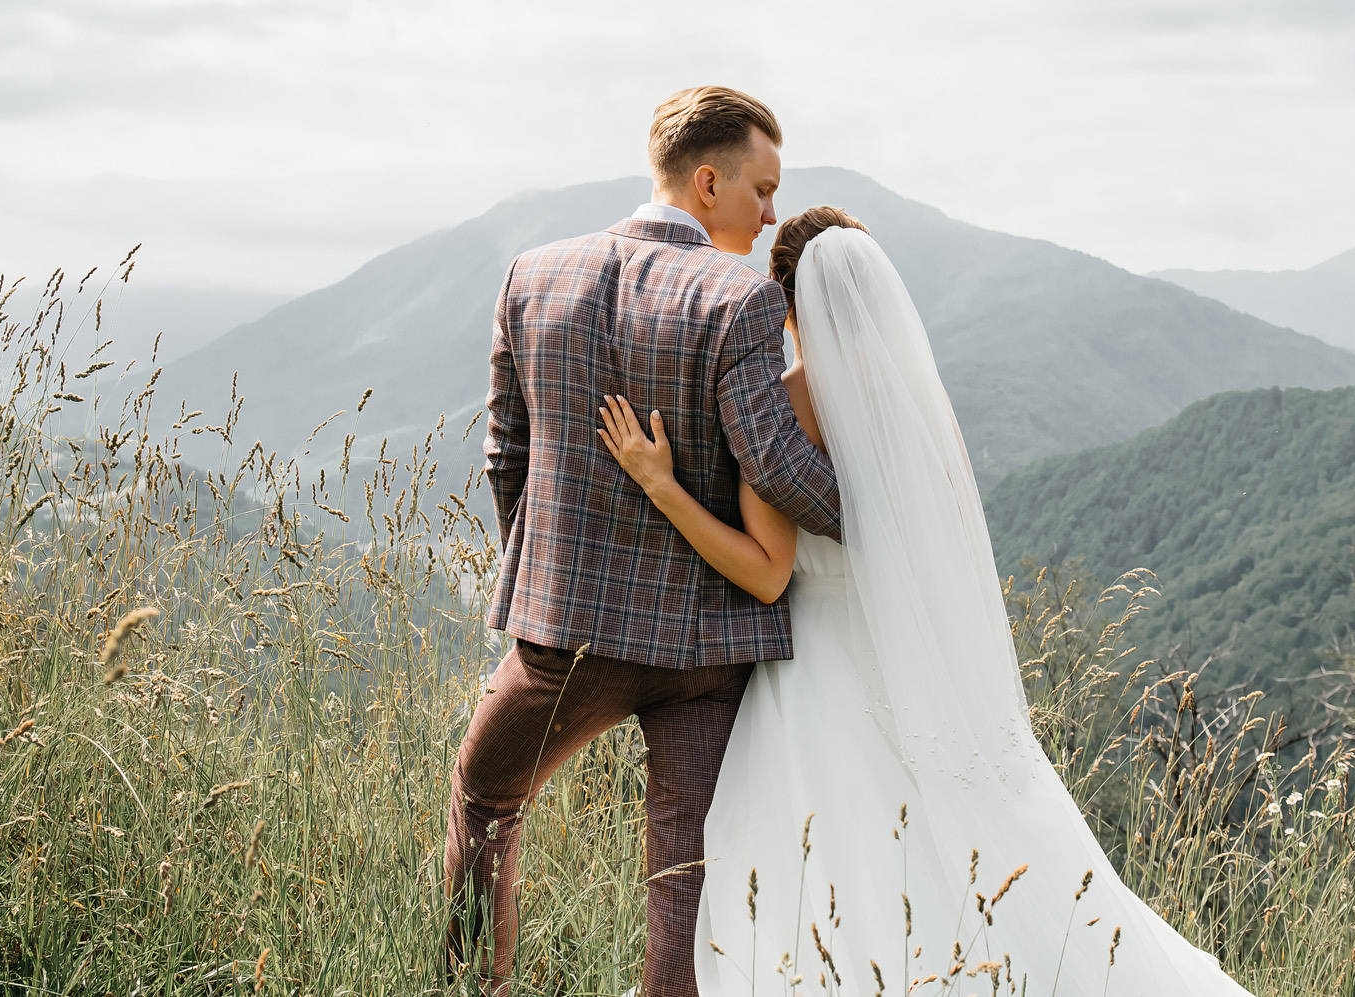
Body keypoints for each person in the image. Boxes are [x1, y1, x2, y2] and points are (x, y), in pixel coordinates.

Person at [597, 208, 1253, 996]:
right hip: (915, 657)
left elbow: (768, 575)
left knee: (826, 853)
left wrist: (662, 486)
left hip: (817, 668)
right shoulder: (920, 400)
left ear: (786, 301)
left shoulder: (786, 401)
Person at [446, 86, 842, 997]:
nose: (769, 214)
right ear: (707, 182)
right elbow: (778, 469)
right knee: (683, 873)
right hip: (705, 653)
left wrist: (548, 586)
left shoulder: (533, 274)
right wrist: (882, 513)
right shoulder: (740, 300)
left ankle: (474, 990)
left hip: (565, 635)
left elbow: (507, 455)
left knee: (485, 799)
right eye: (762, 189)